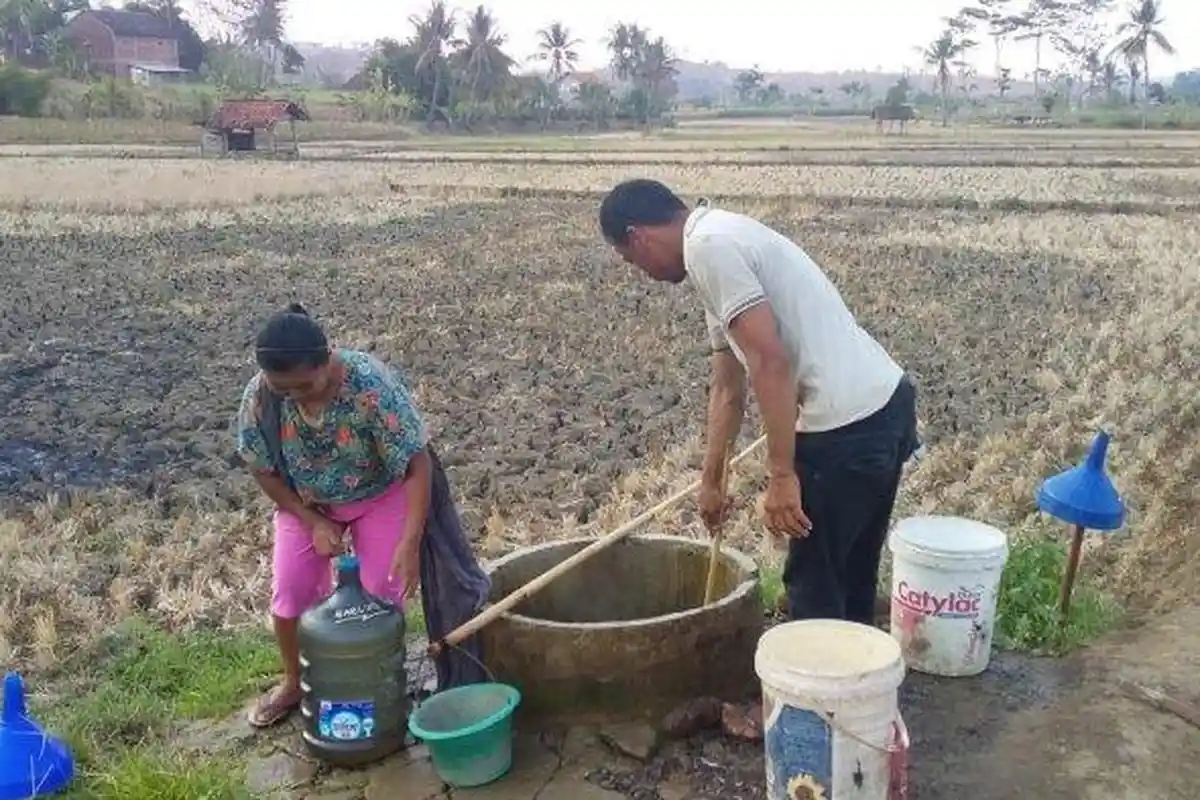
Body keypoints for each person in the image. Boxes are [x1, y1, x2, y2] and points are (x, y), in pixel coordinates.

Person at [598, 179, 919, 625]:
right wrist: (712, 480)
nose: (643, 271)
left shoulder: (711, 248)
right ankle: (856, 689)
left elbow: (771, 361)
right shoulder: (714, 246)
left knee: (815, 588)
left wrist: (782, 475)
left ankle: (815, 693)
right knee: (849, 578)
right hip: (885, 406)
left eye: (632, 260)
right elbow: (728, 387)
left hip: (846, 429)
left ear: (638, 236)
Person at [234, 303, 489, 728]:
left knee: (378, 599)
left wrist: (409, 543)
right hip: (305, 502)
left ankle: (378, 692)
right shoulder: (261, 396)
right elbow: (262, 469)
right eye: (285, 391)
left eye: (305, 385)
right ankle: (296, 682)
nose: (296, 397)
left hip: (377, 495)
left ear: (327, 357)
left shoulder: (369, 384)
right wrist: (312, 519)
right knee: (290, 594)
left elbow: (416, 463)